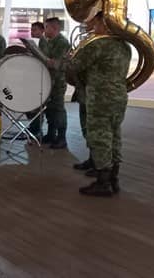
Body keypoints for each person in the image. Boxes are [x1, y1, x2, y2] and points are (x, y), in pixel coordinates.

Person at [66, 12, 131, 197]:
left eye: (96, 22)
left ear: (104, 22)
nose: (93, 25)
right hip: (119, 96)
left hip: (99, 97)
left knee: (100, 137)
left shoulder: (98, 44)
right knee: (114, 135)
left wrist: (70, 58)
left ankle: (103, 182)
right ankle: (113, 179)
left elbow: (74, 66)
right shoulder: (125, 45)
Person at [40, 17, 70, 149]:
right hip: (48, 79)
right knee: (50, 108)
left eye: (46, 27)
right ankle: (51, 134)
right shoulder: (48, 41)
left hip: (58, 80)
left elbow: (56, 62)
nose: (44, 30)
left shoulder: (62, 42)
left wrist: (47, 60)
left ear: (54, 28)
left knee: (58, 108)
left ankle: (61, 137)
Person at [25, 22, 46, 137]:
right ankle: (34, 127)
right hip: (35, 76)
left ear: (42, 30)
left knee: (37, 106)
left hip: (41, 78)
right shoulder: (37, 42)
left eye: (35, 30)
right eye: (31, 30)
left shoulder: (44, 42)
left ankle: (37, 129)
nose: (32, 32)